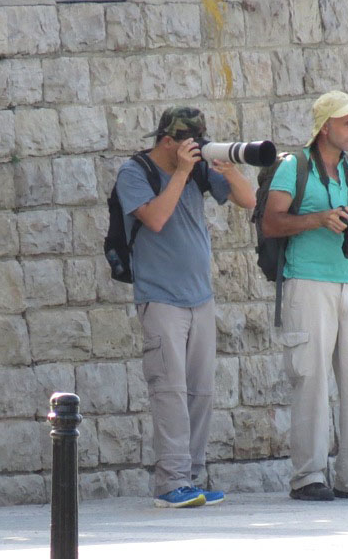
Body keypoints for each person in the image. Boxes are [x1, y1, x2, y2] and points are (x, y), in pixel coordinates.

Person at [115, 106, 256, 508]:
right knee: (170, 392)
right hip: (161, 299)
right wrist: (180, 172)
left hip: (200, 299)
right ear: (167, 141)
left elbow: (249, 201)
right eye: (188, 142)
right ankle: (170, 483)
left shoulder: (198, 169)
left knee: (200, 393)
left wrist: (228, 168)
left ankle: (190, 478)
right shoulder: (135, 172)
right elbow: (156, 219)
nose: (195, 149)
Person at [261, 91, 348, 501]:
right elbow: (271, 222)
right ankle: (308, 477)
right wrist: (319, 219)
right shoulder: (294, 166)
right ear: (325, 128)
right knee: (311, 379)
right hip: (307, 281)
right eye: (347, 123)